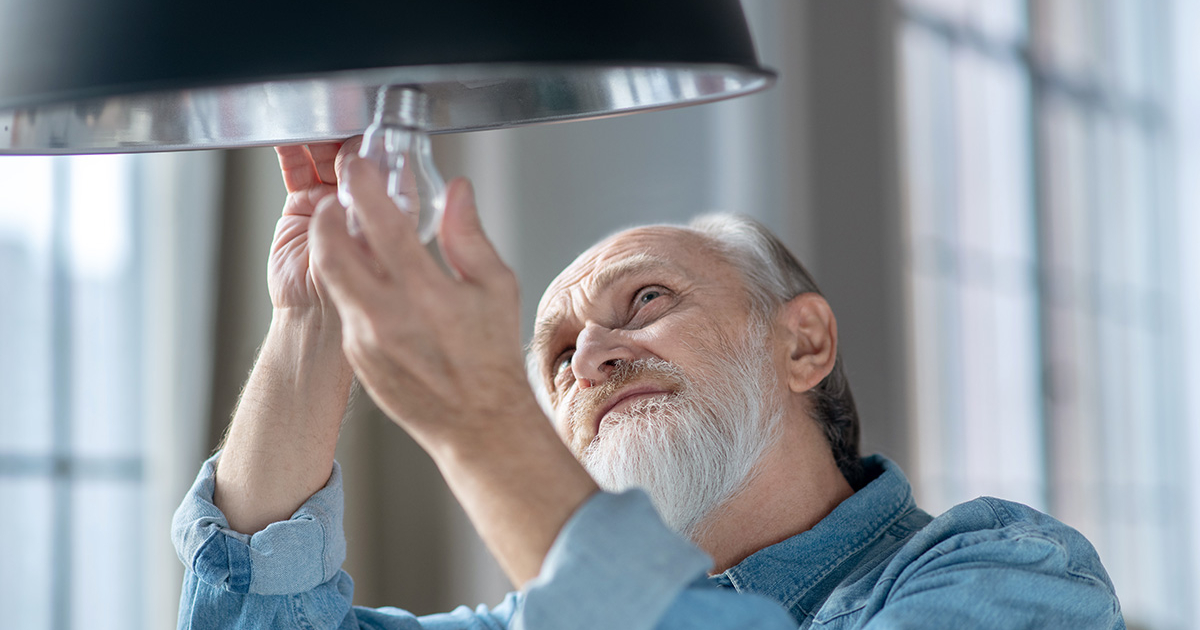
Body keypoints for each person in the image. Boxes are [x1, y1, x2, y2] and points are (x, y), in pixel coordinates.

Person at [173, 141, 1125, 629]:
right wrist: (312, 319)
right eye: (554, 357)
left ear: (803, 344)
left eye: (647, 300)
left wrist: (481, 424)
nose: (589, 357)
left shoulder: (1014, 573)